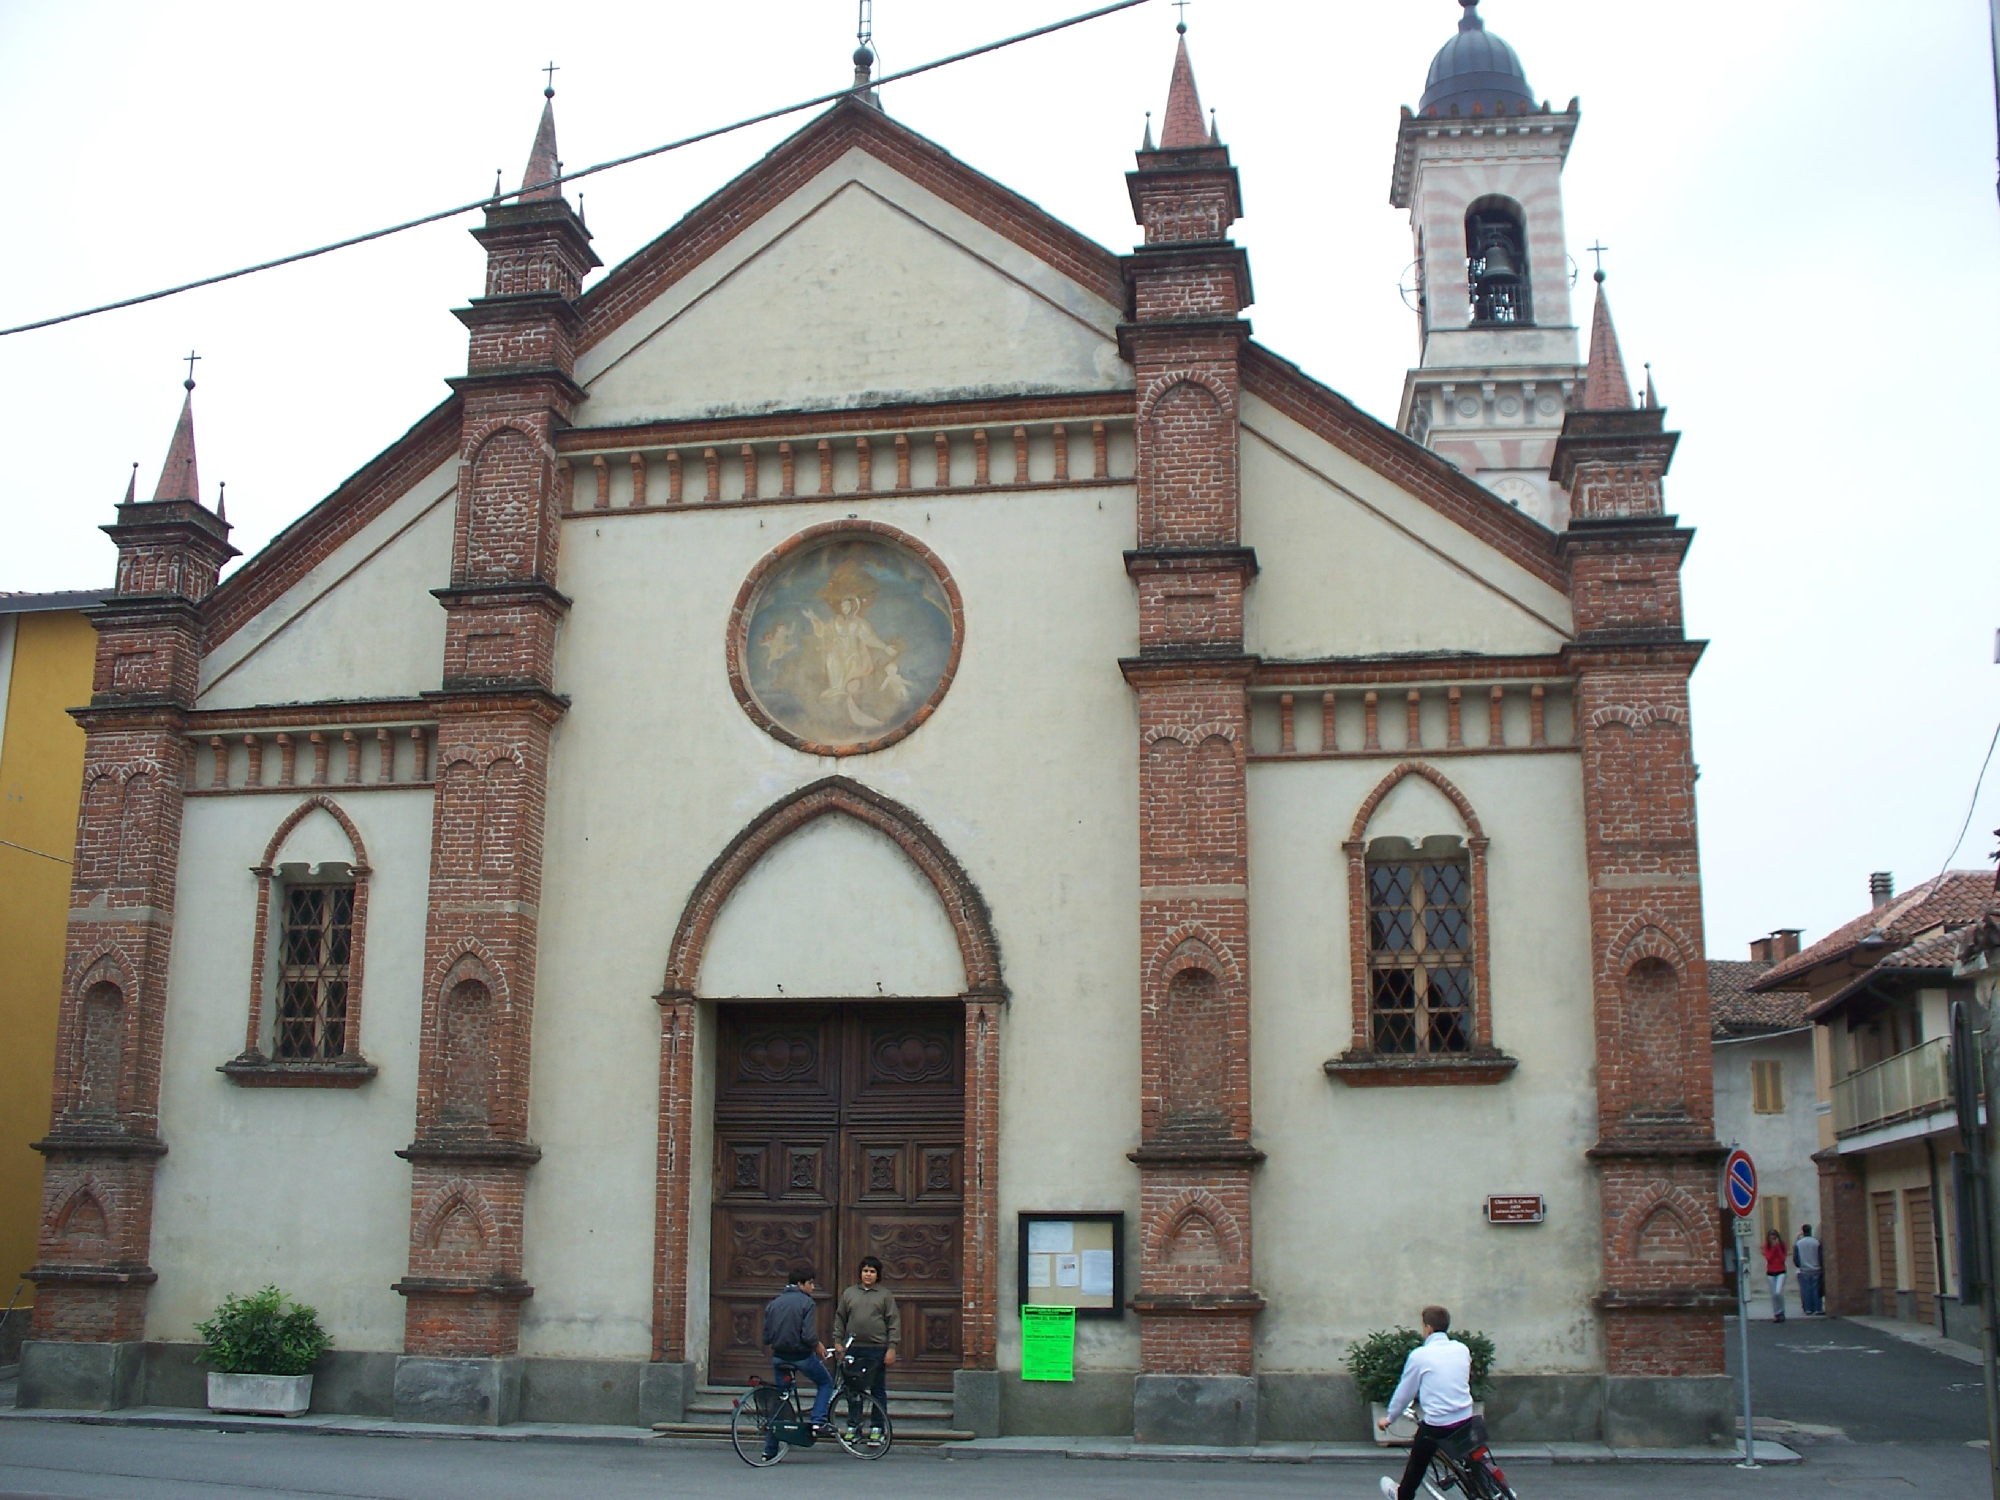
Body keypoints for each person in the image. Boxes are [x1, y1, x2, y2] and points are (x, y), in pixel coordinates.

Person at [1376, 1305, 1476, 1500]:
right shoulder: (1461, 1349)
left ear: (1428, 1328)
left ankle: (1402, 1495)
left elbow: (1404, 1393)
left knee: (1417, 1462)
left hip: (1439, 1424)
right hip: (1466, 1418)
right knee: (1470, 1456)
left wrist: (1389, 1418)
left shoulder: (1420, 1356)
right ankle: (1484, 1486)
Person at [761, 1265, 834, 1453]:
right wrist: (818, 1347)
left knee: (780, 1401)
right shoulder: (806, 1302)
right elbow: (808, 1336)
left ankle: (769, 1450)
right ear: (801, 1284)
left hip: (779, 1357)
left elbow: (766, 1337)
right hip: (801, 1356)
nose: (813, 1287)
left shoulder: (774, 1303)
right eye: (811, 1283)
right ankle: (818, 1421)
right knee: (825, 1382)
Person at [833, 1255, 901, 1428]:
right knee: (854, 1390)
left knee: (877, 1389)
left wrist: (892, 1348)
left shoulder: (885, 1295)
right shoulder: (849, 1293)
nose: (868, 1275)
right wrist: (838, 1342)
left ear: (878, 1275)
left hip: (876, 1349)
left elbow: (893, 1322)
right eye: (865, 1271)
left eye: (872, 1271)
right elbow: (840, 1318)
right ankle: (854, 1425)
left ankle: (877, 1426)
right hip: (854, 1348)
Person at [1794, 1223, 1824, 1316]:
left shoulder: (1799, 1243)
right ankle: (1817, 1308)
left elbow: (1796, 1258)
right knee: (1816, 1290)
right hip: (1816, 1269)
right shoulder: (1816, 1242)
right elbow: (1820, 1256)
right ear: (1810, 1230)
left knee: (1806, 1290)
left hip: (1804, 1270)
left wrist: (1799, 1265)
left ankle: (1808, 1308)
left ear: (1803, 1231)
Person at [1762, 1229, 1788, 1322]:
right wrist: (1773, 1248)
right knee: (1773, 1294)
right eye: (1771, 1238)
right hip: (1770, 1272)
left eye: (1774, 1238)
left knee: (1778, 1292)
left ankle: (1782, 1311)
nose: (1772, 1240)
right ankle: (1777, 1313)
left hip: (1781, 1271)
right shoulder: (1766, 1246)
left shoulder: (1782, 1245)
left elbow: (1783, 1258)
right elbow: (1768, 1258)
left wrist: (1777, 1248)